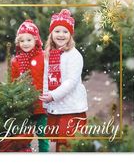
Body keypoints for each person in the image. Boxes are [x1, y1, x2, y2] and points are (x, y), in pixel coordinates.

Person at [39, 9, 88, 152]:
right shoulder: (50, 54)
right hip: (57, 107)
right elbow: (46, 78)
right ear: (51, 34)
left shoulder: (74, 55)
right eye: (57, 31)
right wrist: (46, 99)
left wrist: (53, 95)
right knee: (59, 144)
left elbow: (71, 82)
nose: (61, 35)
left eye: (65, 32)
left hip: (71, 108)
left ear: (70, 35)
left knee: (68, 143)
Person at [11, 19, 49, 152]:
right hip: (25, 106)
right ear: (18, 43)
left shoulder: (44, 57)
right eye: (22, 41)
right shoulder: (16, 61)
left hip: (41, 106)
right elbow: (13, 83)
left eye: (29, 40)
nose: (25, 44)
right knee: (24, 137)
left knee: (43, 135)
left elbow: (50, 78)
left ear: (36, 40)